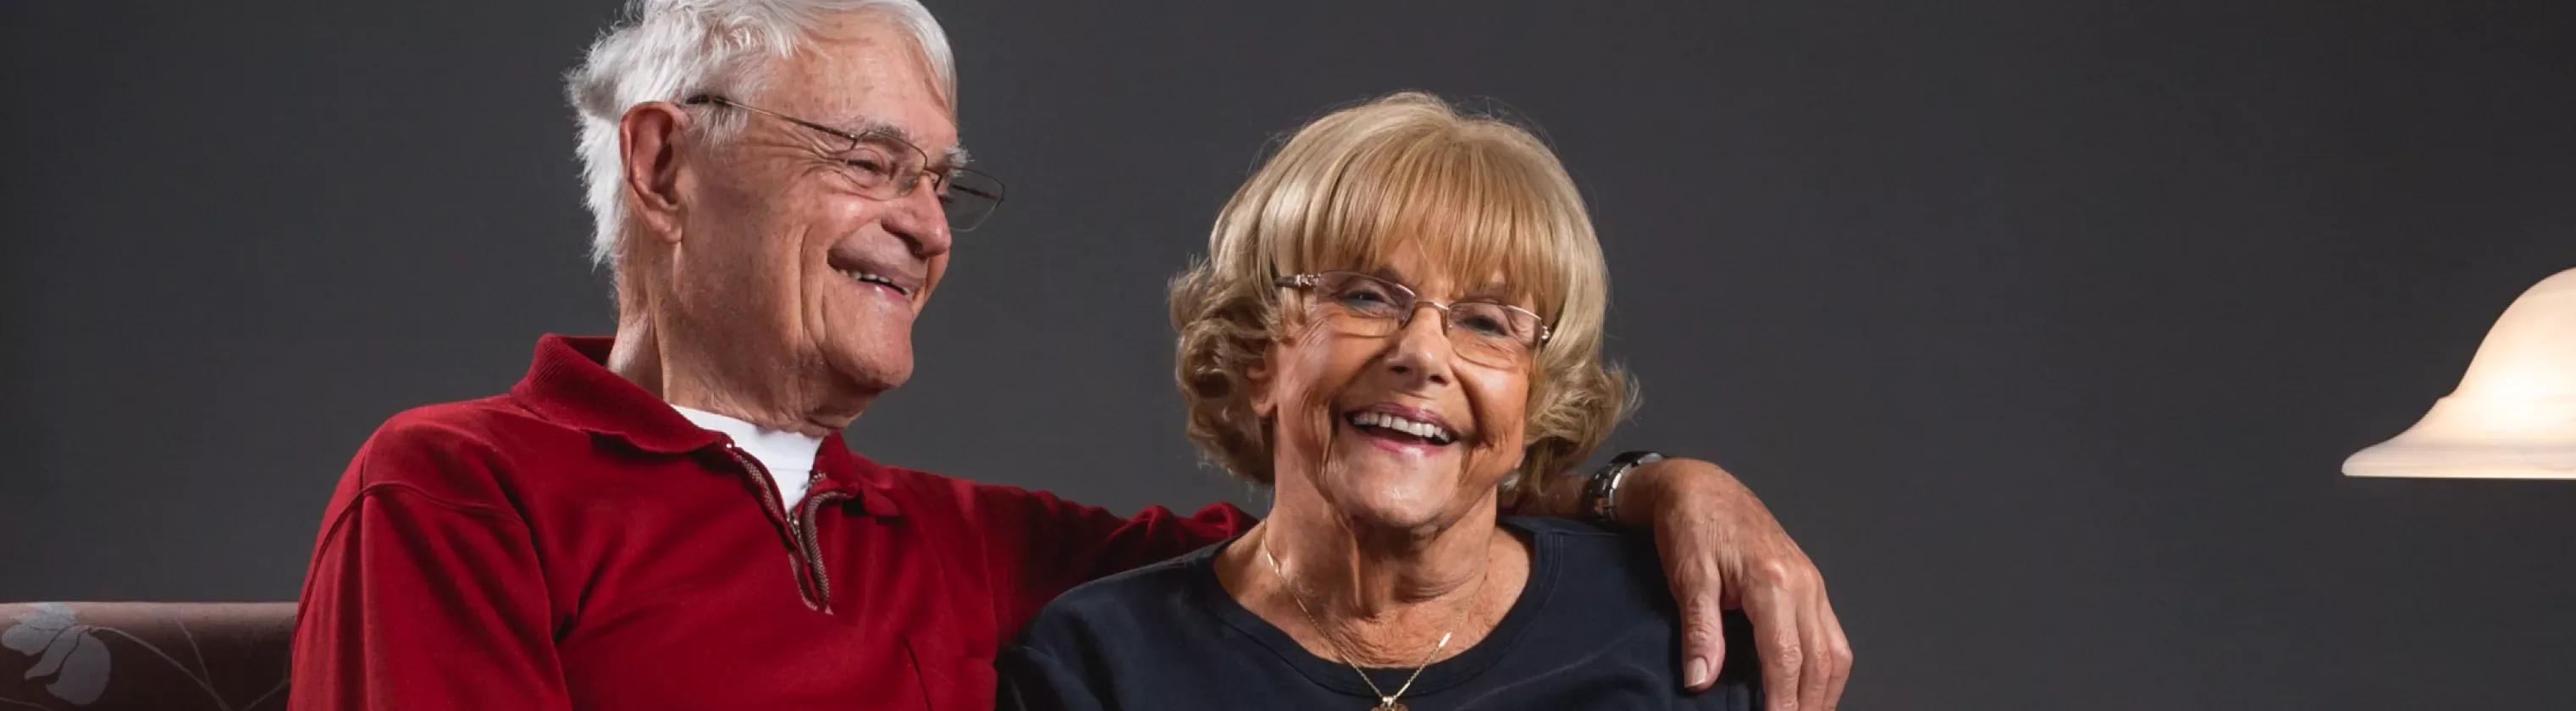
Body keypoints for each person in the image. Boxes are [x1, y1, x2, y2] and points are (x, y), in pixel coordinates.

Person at [287, 2, 1849, 709]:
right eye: (867, 160)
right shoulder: (458, 491)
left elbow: (1337, 547)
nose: (924, 224)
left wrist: (1659, 485)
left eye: (941, 182)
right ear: (660, 162)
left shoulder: (974, 556)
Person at [1007, 92, 1763, 710]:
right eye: (1366, 297)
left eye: (1486, 322)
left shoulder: (1671, 630)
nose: (1423, 354)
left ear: (1539, 394)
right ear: (1256, 353)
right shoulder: (1098, 664)